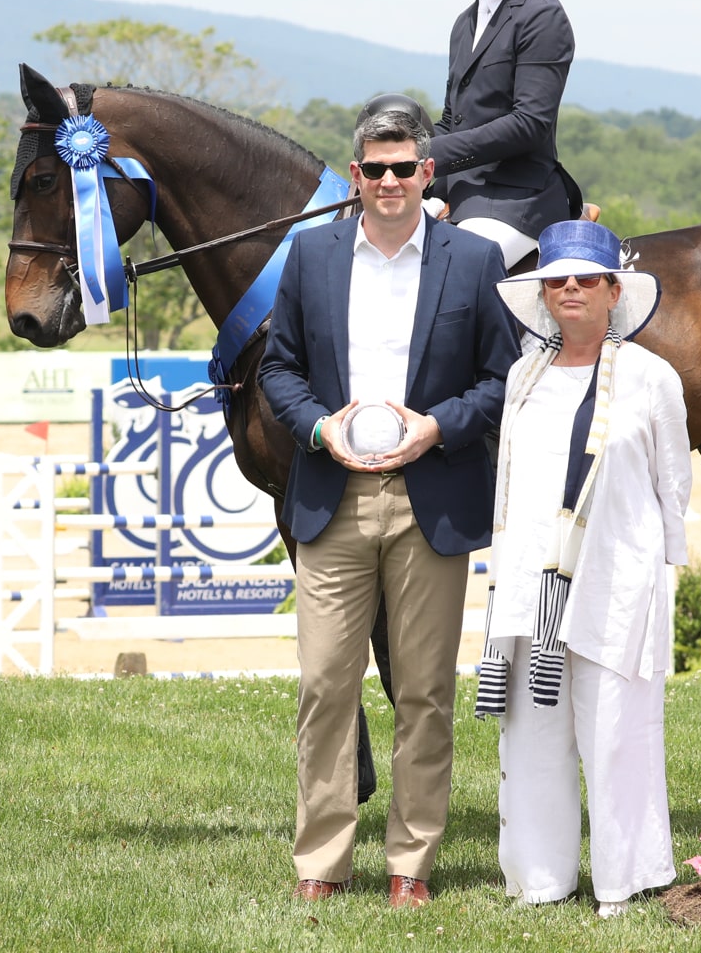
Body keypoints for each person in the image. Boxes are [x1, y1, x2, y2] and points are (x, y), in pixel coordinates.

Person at [259, 95, 518, 907]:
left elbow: (504, 380)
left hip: (428, 500)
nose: (390, 181)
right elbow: (279, 371)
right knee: (325, 686)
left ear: (427, 171)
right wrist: (316, 430)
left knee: (424, 693)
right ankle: (322, 863)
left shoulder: (472, 264)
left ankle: (411, 865)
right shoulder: (309, 256)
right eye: (374, 169)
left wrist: (439, 427)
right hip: (331, 500)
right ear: (355, 175)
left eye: (404, 167)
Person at [477, 219, 689, 916]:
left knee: (616, 731)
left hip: (615, 582)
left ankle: (625, 877)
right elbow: (508, 483)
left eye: (586, 278)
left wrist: (660, 580)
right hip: (530, 583)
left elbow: (672, 487)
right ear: (543, 293)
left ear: (613, 291)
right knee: (533, 732)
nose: (571, 288)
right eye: (557, 278)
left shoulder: (653, 378)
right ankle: (541, 878)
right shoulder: (522, 377)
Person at [430, 0, 578, 271]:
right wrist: (398, 157)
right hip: (462, 191)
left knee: (452, 274)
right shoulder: (465, 23)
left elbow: (530, 123)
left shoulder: (542, 15)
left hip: (515, 200)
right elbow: (452, 119)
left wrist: (431, 155)